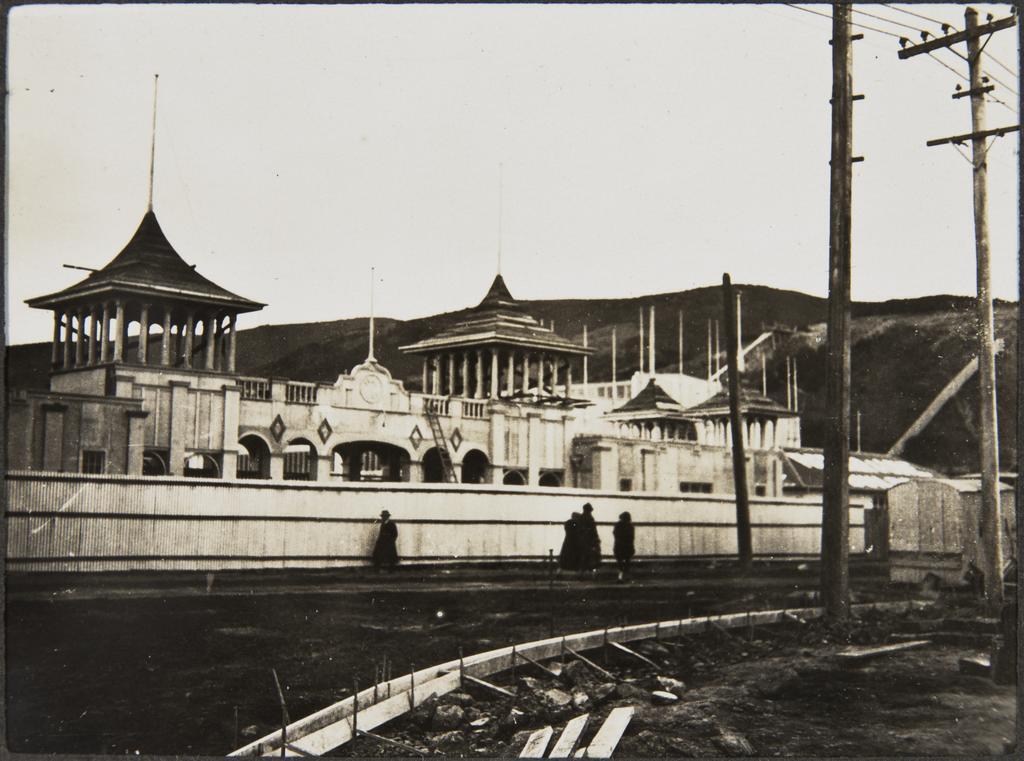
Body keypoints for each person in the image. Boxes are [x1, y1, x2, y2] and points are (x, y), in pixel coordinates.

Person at [577, 503, 601, 576]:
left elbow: (579, 530)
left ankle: (581, 573)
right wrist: (596, 539)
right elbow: (594, 530)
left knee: (583, 557)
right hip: (590, 541)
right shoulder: (590, 518)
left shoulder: (581, 518)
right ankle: (592, 574)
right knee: (592, 557)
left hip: (582, 540)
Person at [613, 512, 635, 582]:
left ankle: (621, 577)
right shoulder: (630, 526)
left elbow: (615, 535)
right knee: (627, 563)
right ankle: (626, 576)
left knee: (620, 563)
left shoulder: (618, 525)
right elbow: (631, 538)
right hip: (628, 547)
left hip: (619, 546)